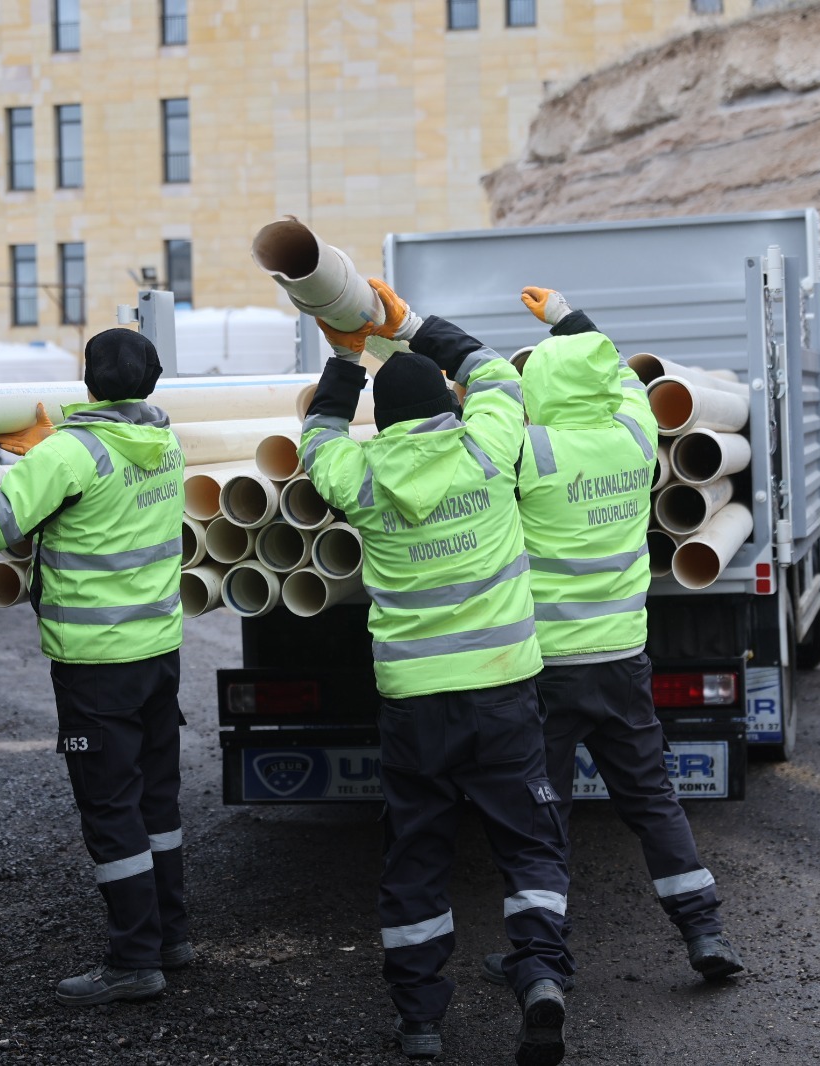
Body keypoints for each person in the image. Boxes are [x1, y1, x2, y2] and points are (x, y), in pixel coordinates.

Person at [300, 279, 572, 1066]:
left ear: (383, 424)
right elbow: (494, 371)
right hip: (501, 692)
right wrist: (408, 324)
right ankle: (541, 975)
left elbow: (318, 436)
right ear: (447, 408)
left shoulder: (362, 478)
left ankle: (420, 1018)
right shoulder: (488, 448)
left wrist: (345, 359)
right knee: (529, 845)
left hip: (415, 706)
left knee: (416, 857)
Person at [0, 328, 192, 1007]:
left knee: (111, 812)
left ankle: (134, 962)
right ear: (152, 382)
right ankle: (170, 937)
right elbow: (101, 476)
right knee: (156, 802)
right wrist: (48, 451)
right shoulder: (164, 440)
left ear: (88, 382)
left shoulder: (72, 453)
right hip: (157, 653)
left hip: (96, 665)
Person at [477, 286, 743, 986]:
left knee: (542, 814)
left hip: (545, 668)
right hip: (622, 661)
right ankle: (704, 933)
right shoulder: (635, 436)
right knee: (652, 799)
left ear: (538, 389)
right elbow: (621, 374)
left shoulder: (529, 451)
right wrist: (568, 317)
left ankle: (541, 962)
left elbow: (487, 427)